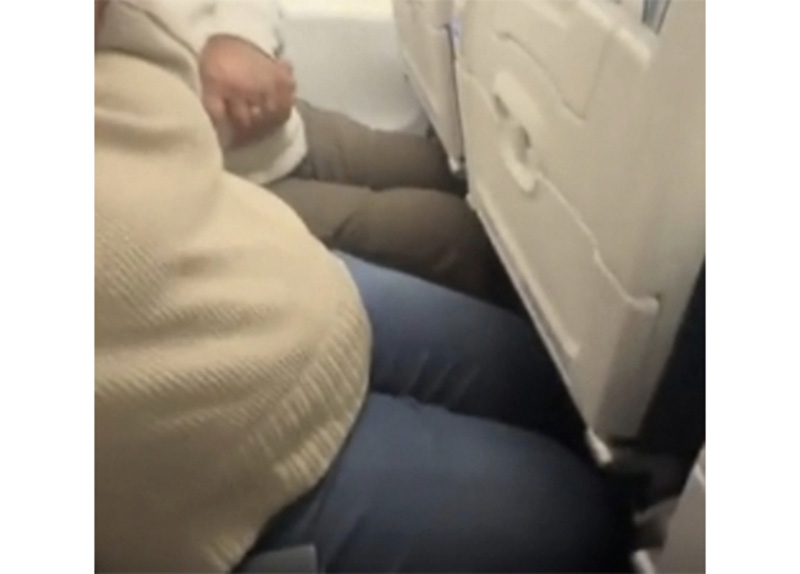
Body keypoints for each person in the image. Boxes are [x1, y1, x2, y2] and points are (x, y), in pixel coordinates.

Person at [95, 1, 631, 572]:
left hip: (266, 266)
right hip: (223, 462)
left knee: (533, 373)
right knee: (583, 520)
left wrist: (238, 40)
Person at [95, 0, 510, 303]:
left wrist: (242, 42)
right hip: (218, 191)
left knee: (461, 174)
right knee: (457, 237)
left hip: (280, 128)